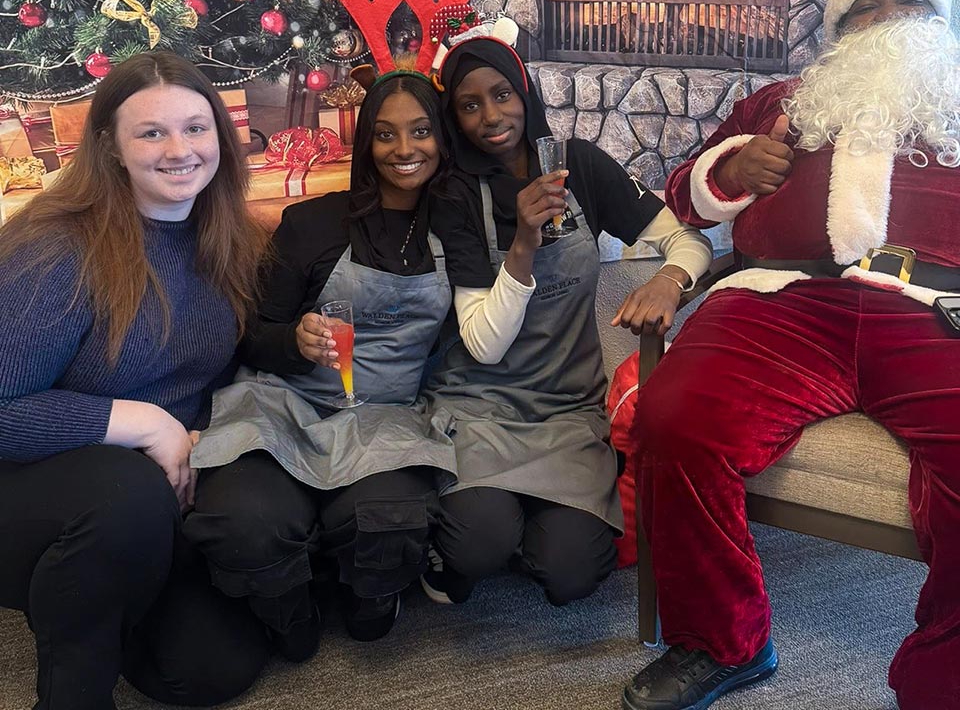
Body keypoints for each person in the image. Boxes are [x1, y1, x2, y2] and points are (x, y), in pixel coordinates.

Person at [622, 0, 960, 710]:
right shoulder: (784, 103)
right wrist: (733, 172)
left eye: (909, 2)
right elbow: (684, 196)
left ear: (939, 20)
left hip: (934, 311)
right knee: (675, 416)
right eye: (868, 7)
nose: (890, 18)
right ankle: (723, 641)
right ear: (839, 33)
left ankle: (946, 676)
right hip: (786, 302)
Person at [0, 53, 270, 710]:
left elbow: (222, 370)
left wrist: (203, 435)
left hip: (155, 491)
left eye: (196, 128)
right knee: (124, 494)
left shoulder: (230, 235)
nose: (180, 150)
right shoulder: (57, 247)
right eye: (151, 132)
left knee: (211, 672)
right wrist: (146, 424)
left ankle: (99, 589)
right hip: (34, 481)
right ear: (110, 148)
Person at [421, 35, 713, 608]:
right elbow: (483, 345)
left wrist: (668, 280)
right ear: (454, 117)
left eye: (502, 95)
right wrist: (523, 244)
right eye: (470, 105)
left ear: (524, 93)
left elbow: (688, 241)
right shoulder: (455, 194)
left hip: (567, 411)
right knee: (477, 545)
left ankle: (521, 525)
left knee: (573, 572)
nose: (491, 117)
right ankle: (469, 537)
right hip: (480, 407)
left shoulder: (577, 165)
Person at [185, 71, 460, 656]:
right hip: (286, 404)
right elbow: (250, 337)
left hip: (386, 416)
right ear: (365, 143)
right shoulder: (311, 224)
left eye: (420, 131)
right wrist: (294, 341)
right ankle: (287, 611)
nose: (404, 149)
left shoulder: (457, 232)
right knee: (243, 521)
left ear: (442, 139)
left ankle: (369, 600)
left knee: (390, 520)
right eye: (385, 134)